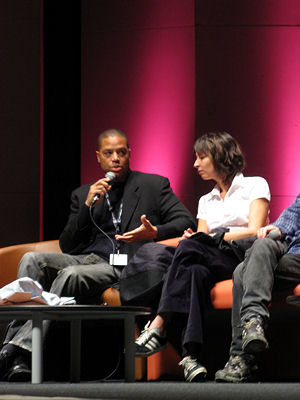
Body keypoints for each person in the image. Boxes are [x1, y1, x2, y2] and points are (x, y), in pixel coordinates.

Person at [0, 128, 196, 382]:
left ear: (129, 154)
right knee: (31, 259)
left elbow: (185, 220)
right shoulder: (83, 194)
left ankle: (16, 352)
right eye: (109, 153)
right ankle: (17, 346)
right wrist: (86, 207)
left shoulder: (153, 185)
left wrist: (153, 231)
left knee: (71, 275)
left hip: (126, 263)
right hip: (88, 258)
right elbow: (68, 245)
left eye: (121, 152)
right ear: (98, 158)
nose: (116, 158)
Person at [134, 131, 271, 382]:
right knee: (193, 270)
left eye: (201, 157)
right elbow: (200, 241)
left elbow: (254, 230)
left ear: (220, 157)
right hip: (210, 258)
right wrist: (197, 239)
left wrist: (211, 238)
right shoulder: (205, 200)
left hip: (241, 258)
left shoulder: (255, 184)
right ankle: (191, 357)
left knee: (190, 248)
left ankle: (159, 323)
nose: (195, 164)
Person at [215, 195, 300, 383]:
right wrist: (277, 227)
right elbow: (292, 215)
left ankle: (241, 358)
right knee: (260, 245)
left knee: (241, 272)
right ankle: (253, 323)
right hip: (288, 251)